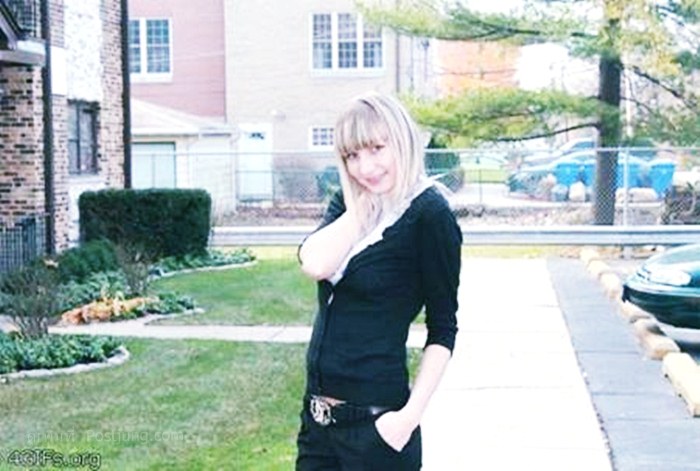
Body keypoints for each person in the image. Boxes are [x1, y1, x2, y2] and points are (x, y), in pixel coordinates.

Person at [295, 91, 462, 470]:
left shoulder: (430, 214)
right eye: (352, 155)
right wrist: (361, 211)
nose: (364, 167)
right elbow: (315, 263)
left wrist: (406, 421)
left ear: (401, 140)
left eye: (376, 149)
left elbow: (443, 329)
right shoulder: (350, 202)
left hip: (377, 428)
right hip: (318, 426)